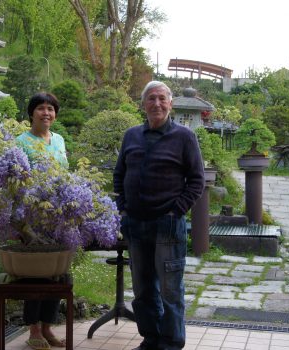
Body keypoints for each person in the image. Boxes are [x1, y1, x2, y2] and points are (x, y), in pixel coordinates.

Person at [113, 81, 205, 350]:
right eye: (151, 99)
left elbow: (196, 181)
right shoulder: (131, 136)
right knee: (142, 291)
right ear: (143, 105)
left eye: (162, 98)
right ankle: (150, 339)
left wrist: (176, 211)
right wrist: (123, 208)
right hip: (135, 224)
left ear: (170, 103)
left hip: (168, 225)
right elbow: (119, 175)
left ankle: (171, 343)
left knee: (171, 291)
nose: (157, 104)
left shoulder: (184, 137)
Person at [16, 92, 68, 350]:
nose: (46, 113)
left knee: (56, 272)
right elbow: (15, 182)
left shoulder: (58, 140)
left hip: (58, 215)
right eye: (41, 108)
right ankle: (33, 329)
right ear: (31, 113)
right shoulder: (21, 142)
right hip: (32, 215)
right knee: (35, 274)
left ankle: (48, 327)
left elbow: (65, 174)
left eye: (50, 109)